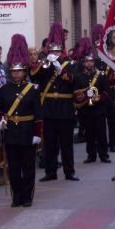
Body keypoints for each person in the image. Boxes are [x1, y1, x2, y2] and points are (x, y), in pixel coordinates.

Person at [32, 22, 79, 182]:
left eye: (57, 51)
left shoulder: (70, 64)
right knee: (50, 144)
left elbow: (74, 81)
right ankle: (50, 172)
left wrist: (61, 70)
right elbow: (33, 75)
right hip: (49, 109)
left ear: (62, 51)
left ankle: (69, 171)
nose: (55, 53)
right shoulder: (45, 64)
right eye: (52, 51)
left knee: (66, 143)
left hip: (65, 108)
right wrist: (46, 63)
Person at [0, 55, 42, 208]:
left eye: (19, 71)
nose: (16, 74)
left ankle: (27, 196)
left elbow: (38, 114)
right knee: (14, 168)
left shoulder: (33, 89)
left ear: (24, 72)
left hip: (27, 131)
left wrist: (37, 134)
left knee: (28, 167)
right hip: (11, 133)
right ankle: (16, 196)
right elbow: (0, 109)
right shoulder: (4, 89)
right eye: (13, 71)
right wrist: (0, 120)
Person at [73, 50, 111, 164]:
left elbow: (106, 92)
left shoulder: (101, 75)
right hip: (85, 110)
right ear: (83, 63)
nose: (89, 64)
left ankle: (103, 155)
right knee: (89, 133)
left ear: (94, 62)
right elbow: (76, 94)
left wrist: (96, 98)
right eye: (87, 62)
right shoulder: (79, 77)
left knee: (101, 133)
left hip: (99, 109)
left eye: (91, 61)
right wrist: (82, 98)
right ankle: (91, 155)